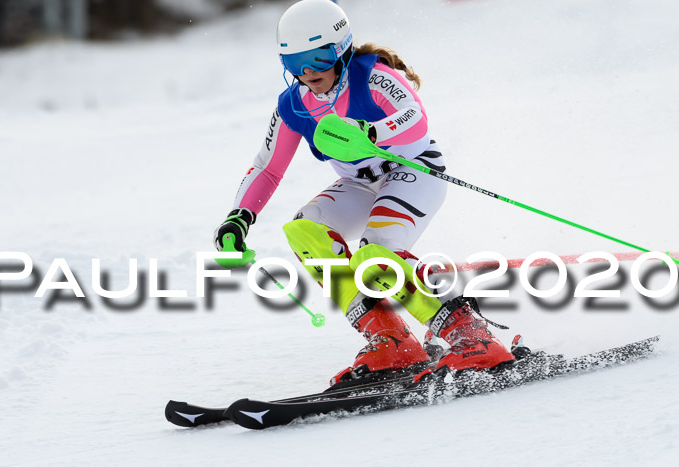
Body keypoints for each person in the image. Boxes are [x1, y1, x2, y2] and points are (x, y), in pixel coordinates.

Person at [214, 0, 516, 386]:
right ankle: (390, 340)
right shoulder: (295, 105)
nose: (308, 73)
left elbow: (416, 122)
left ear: (340, 48)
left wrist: (371, 134)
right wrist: (239, 216)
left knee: (376, 254)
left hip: (414, 170)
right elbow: (268, 167)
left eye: (318, 58)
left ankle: (470, 336)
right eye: (294, 63)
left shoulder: (372, 76)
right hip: (361, 184)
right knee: (304, 230)